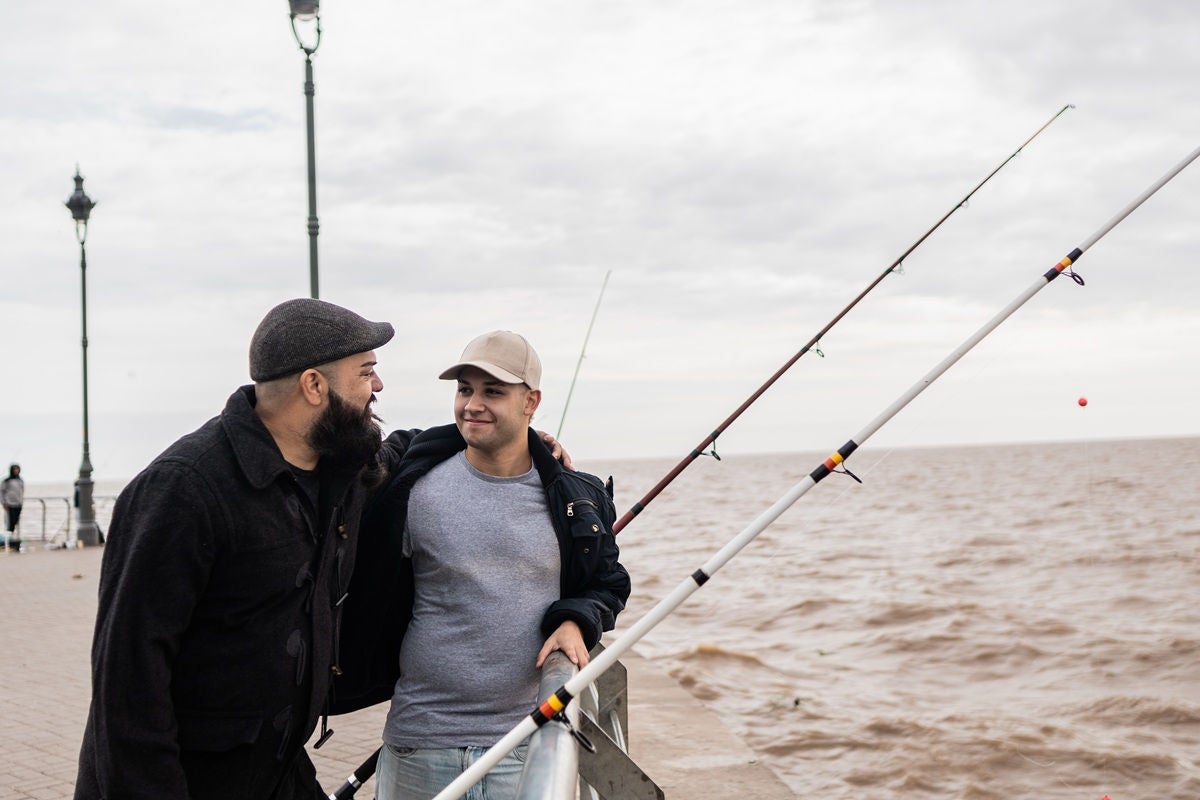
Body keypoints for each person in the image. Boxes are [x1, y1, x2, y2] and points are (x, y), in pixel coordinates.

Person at [74, 298, 405, 800]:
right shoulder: (183, 489)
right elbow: (128, 683)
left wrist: (503, 441)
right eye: (366, 372)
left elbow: (399, 451)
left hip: (277, 770)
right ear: (314, 385)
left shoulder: (337, 467)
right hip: (183, 781)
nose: (377, 386)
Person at [340, 330, 630, 800]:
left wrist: (578, 619)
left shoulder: (576, 497)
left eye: (493, 391)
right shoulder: (413, 486)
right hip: (418, 741)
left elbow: (608, 582)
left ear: (530, 401)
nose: (473, 404)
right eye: (464, 389)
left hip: (525, 742)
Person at [2, 463, 23, 553]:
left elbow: (22, 491)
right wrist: (3, 502)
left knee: (15, 522)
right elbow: (1, 491)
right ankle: (7, 542)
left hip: (18, 504)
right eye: (14, 469)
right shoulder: (6, 481)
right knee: (9, 523)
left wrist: (21, 501)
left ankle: (13, 542)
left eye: (17, 469)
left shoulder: (20, 480)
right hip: (9, 504)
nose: (16, 471)